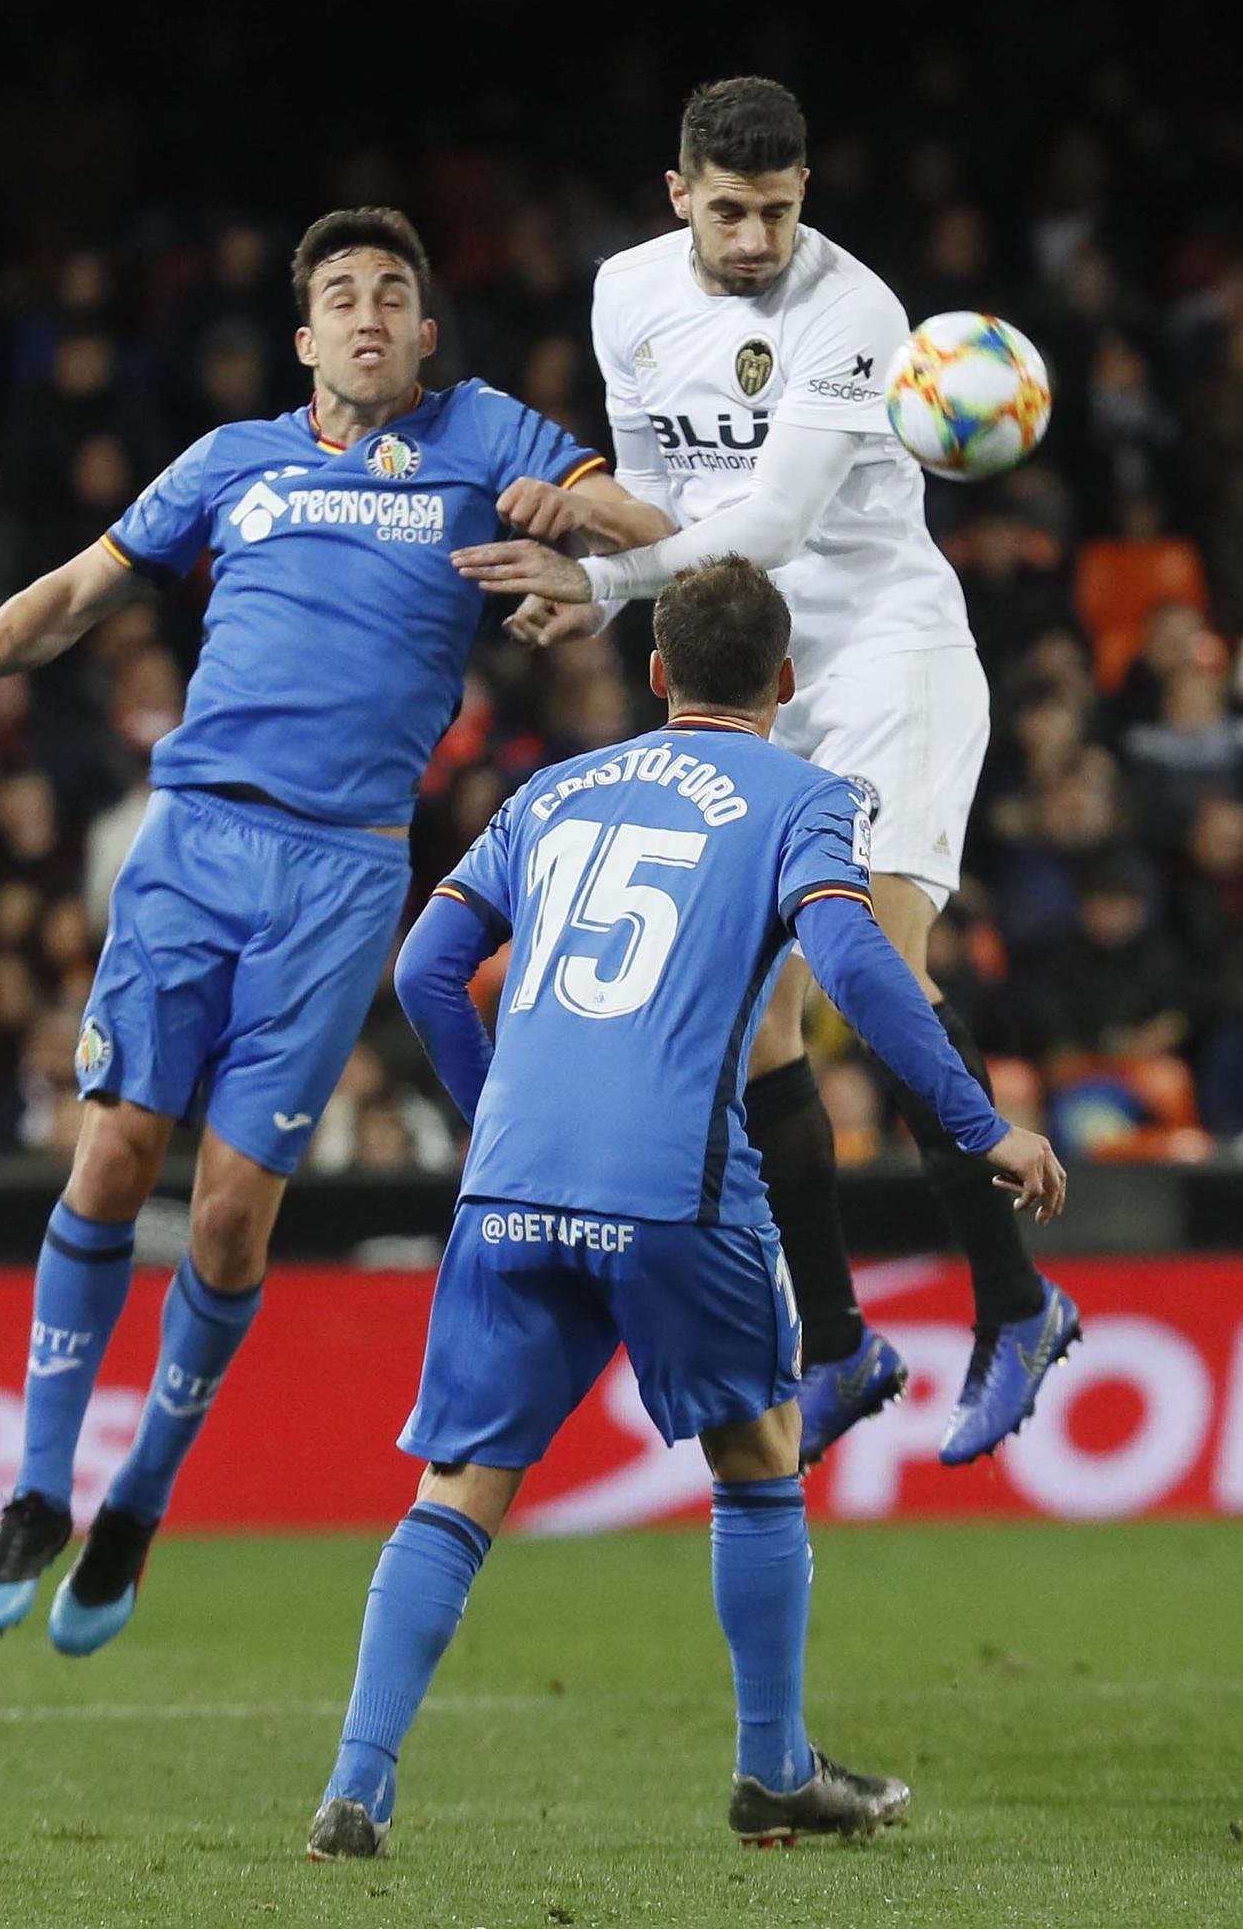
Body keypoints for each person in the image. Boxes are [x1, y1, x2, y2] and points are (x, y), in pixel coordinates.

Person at [0, 206, 668, 1654]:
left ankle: (140, 1503)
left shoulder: (484, 434)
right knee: (114, 1148)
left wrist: (588, 540)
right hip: (194, 842)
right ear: (305, 340)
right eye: (343, 297)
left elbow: (648, 522)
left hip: (342, 870)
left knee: (235, 1214)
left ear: (426, 333)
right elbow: (76, 590)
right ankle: (41, 1490)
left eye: (394, 296)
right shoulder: (230, 462)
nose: (370, 314)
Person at [308, 559, 1066, 1859]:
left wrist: (495, 1109)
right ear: (786, 682)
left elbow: (430, 964)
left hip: (512, 1188)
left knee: (460, 1487)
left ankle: (357, 1789)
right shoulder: (806, 795)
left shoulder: (552, 792)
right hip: (672, 1188)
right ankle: (772, 1771)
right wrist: (978, 1123)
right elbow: (853, 962)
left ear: (656, 674)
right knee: (761, 1456)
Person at [452, 77, 1080, 1466]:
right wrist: (602, 566)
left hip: (881, 662)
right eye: (729, 212)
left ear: (806, 199)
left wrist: (605, 575)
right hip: (761, 672)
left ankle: (1019, 1304)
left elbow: (783, 522)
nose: (753, 240)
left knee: (877, 976)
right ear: (679, 194)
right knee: (764, 1029)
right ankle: (843, 1339)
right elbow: (678, 501)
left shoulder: (853, 309)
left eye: (778, 212)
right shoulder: (625, 293)